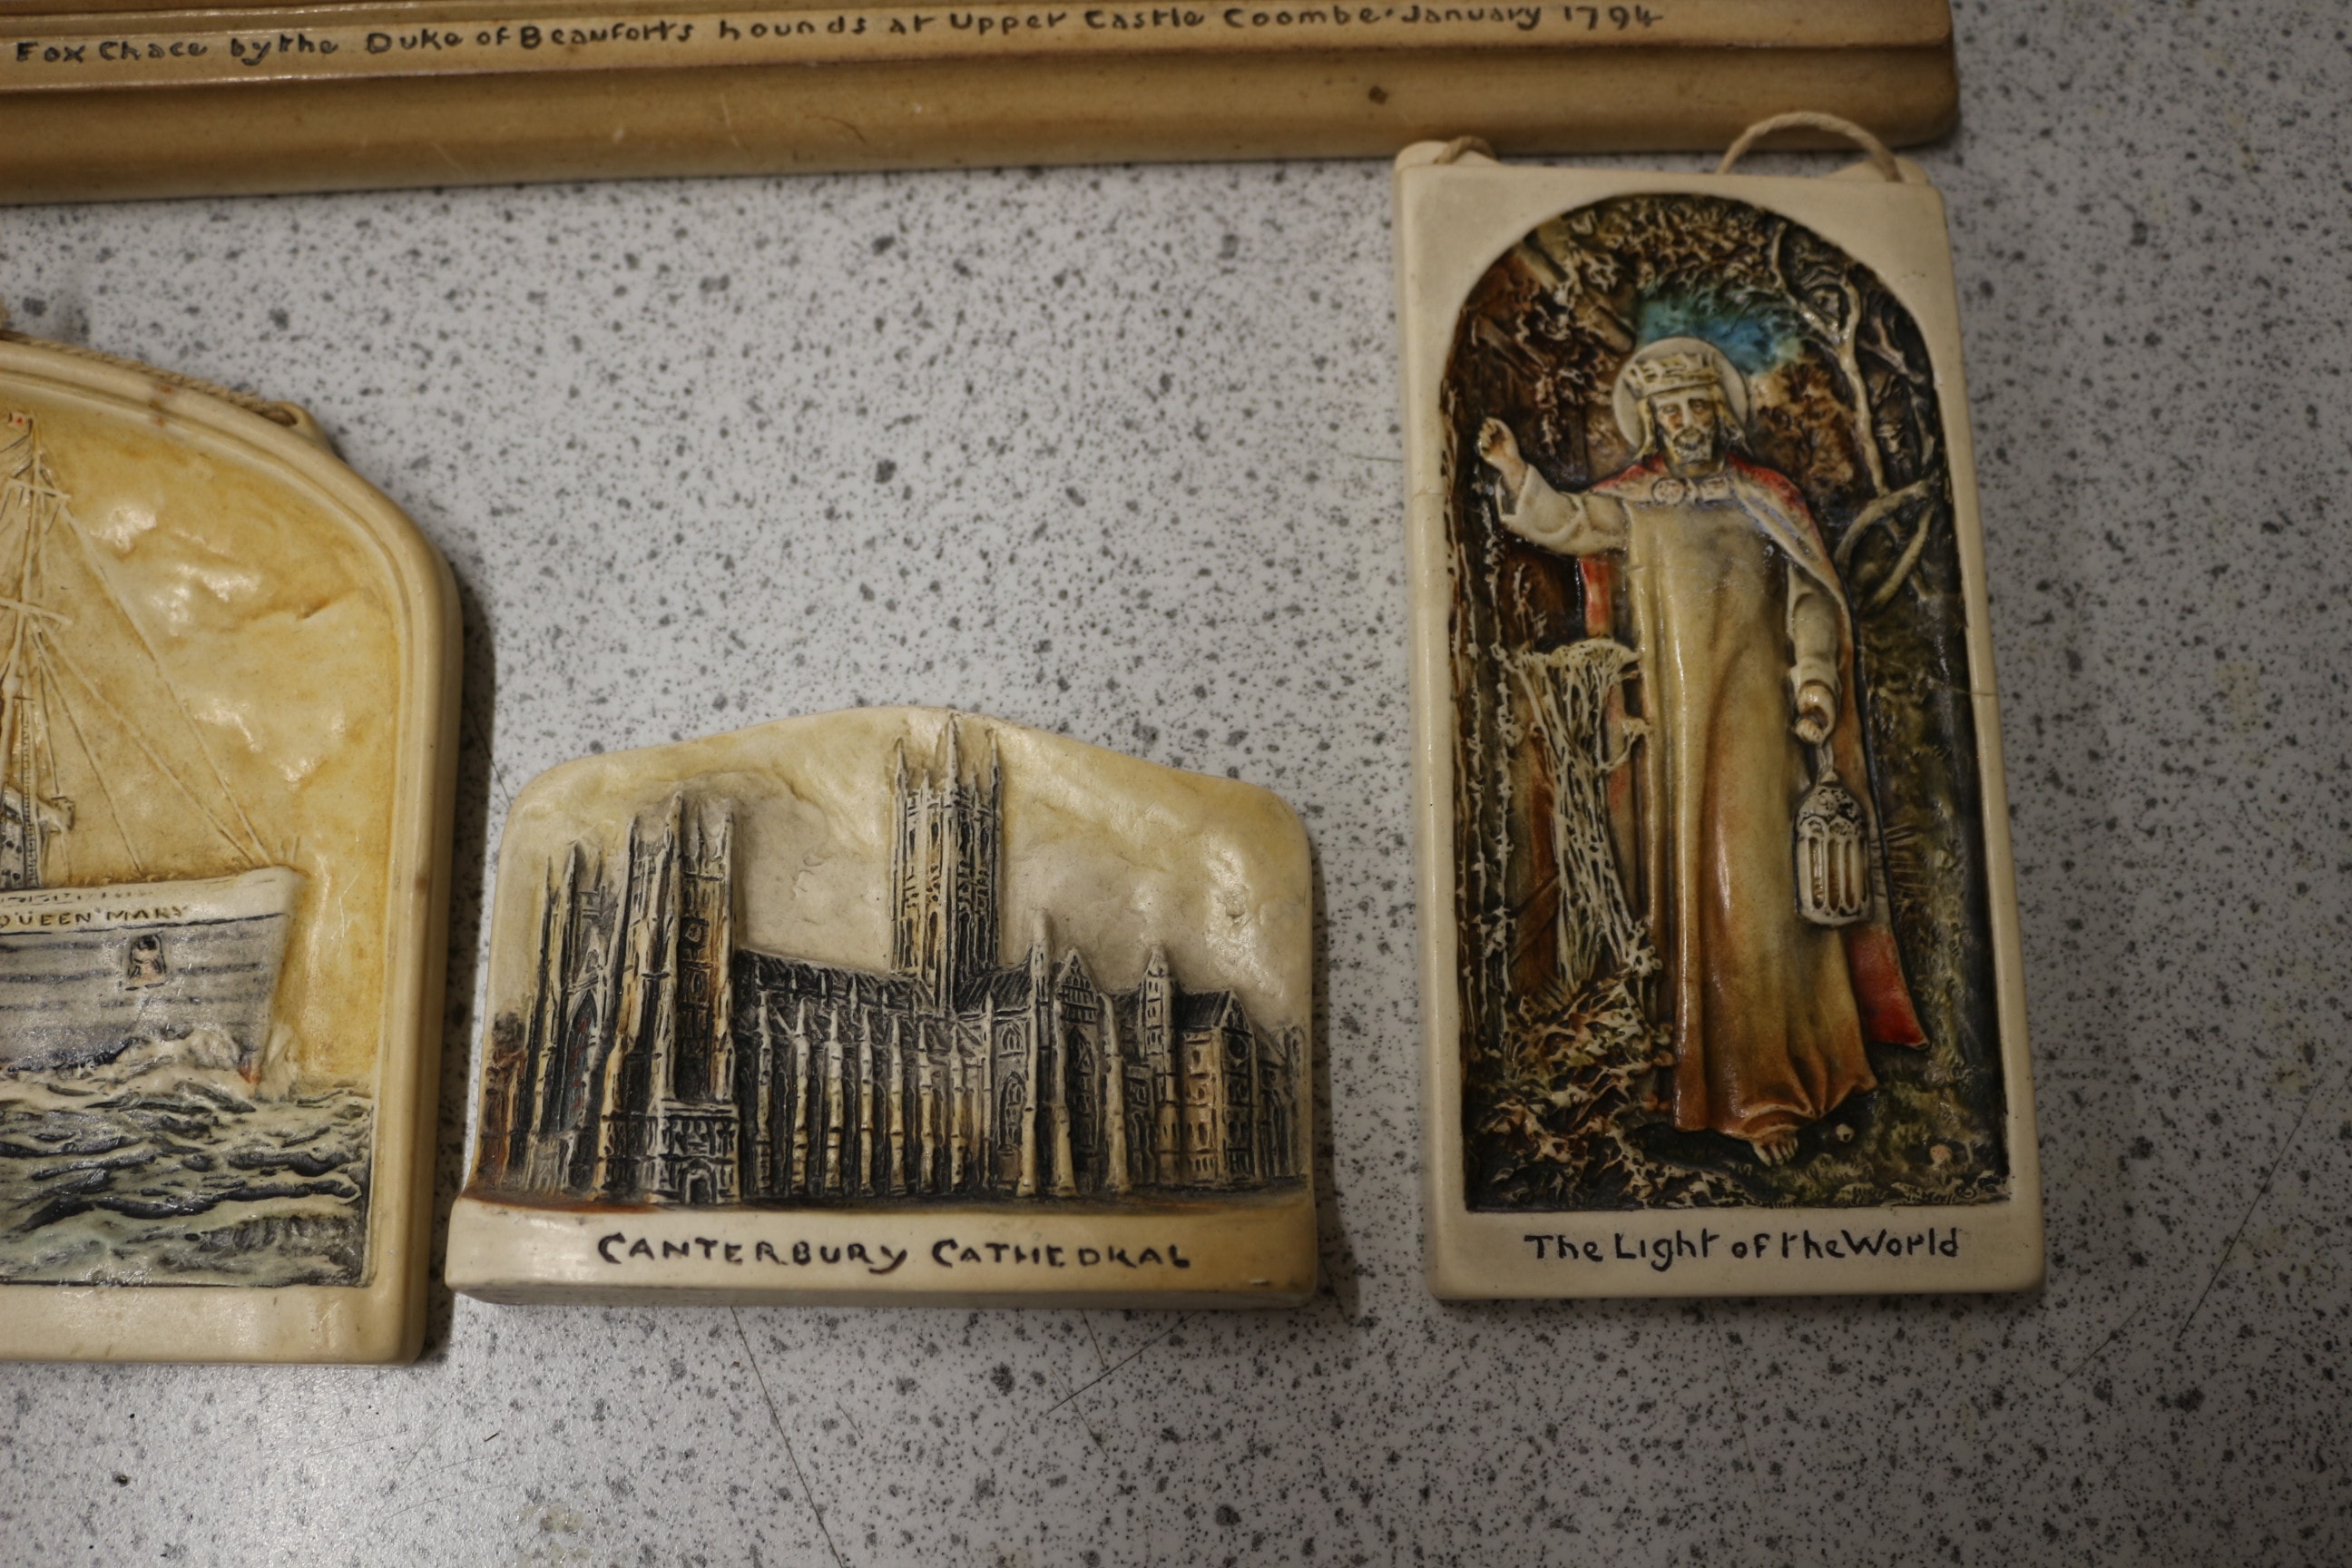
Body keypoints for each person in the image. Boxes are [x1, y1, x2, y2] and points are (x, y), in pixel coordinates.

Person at [1475, 337, 1924, 1165]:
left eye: (1696, 406)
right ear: (1652, 423)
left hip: (1762, 733)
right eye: (1670, 410)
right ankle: (1692, 1081)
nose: (1685, 421)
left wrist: (1815, 683)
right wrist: (1513, 469)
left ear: (1720, 413)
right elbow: (1566, 522)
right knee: (1689, 894)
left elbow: (1810, 597)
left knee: (1758, 892)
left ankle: (1776, 1087)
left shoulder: (1764, 499)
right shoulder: (1639, 502)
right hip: (1677, 738)